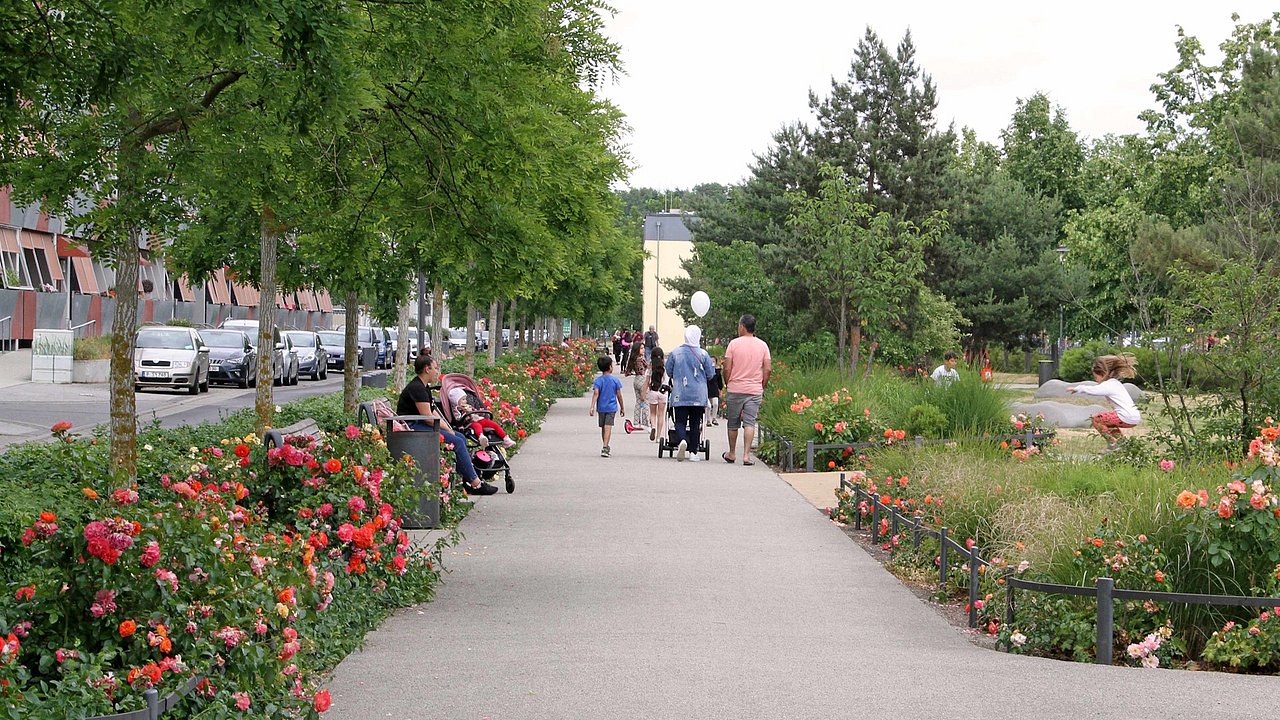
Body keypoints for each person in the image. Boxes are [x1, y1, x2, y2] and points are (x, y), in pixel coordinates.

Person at [397, 353, 498, 495]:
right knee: (457, 441)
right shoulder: (417, 388)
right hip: (413, 428)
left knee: (460, 438)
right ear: (427, 369)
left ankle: (466, 481)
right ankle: (476, 483)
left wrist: (449, 428)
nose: (437, 372)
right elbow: (427, 417)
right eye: (435, 368)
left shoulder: (423, 387)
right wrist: (447, 429)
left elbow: (433, 412)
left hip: (421, 425)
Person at [721, 314, 771, 466]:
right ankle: (746, 455)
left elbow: (727, 367)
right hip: (754, 389)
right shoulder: (763, 345)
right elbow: (768, 369)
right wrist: (762, 385)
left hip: (735, 388)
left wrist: (728, 382)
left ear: (742, 326)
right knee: (749, 422)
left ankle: (731, 453)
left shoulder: (733, 344)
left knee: (733, 423)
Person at [1068, 353, 1140, 455]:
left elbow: (1095, 391)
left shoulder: (1109, 384)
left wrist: (1078, 388)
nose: (1096, 380)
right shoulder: (1115, 383)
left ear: (1102, 373)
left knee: (1096, 419)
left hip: (1125, 416)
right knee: (1108, 423)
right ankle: (1124, 444)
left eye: (1096, 377)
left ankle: (1112, 444)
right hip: (1134, 416)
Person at [666, 325, 715, 461]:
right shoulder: (703, 354)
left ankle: (682, 440)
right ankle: (693, 452)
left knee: (680, 421)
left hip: (680, 392)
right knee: (695, 422)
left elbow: (669, 371)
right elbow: (711, 374)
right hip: (698, 394)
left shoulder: (676, 353)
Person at [446, 385, 517, 448]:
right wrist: (466, 413)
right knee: (477, 426)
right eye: (463, 400)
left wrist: (479, 413)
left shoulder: (468, 406)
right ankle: (481, 437)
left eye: (465, 399)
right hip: (468, 423)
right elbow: (458, 418)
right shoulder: (456, 409)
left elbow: (475, 411)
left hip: (477, 419)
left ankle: (505, 439)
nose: (465, 401)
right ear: (456, 401)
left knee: (493, 424)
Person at [589, 356, 625, 457]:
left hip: (601, 408)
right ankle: (605, 446)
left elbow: (596, 393)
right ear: (610, 367)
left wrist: (592, 406)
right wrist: (622, 407)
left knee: (604, 427)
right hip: (611, 407)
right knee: (607, 426)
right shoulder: (615, 381)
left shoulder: (598, 381)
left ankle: (605, 445)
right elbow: (619, 395)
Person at [647, 347, 668, 444]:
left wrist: (644, 392)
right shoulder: (664, 367)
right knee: (661, 414)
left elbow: (647, 381)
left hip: (653, 391)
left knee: (653, 413)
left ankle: (653, 427)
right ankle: (658, 437)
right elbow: (666, 380)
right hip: (663, 392)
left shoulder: (650, 367)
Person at [626, 345, 649, 432]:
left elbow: (628, 372)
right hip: (642, 379)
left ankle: (636, 422)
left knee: (638, 401)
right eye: (642, 348)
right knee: (645, 401)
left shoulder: (633, 359)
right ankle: (645, 422)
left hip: (636, 380)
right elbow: (642, 369)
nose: (643, 350)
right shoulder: (640, 359)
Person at [705, 355, 723, 427]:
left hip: (715, 390)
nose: (712, 363)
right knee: (708, 406)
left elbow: (720, 382)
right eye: (711, 361)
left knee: (715, 404)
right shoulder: (705, 371)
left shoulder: (717, 371)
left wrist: (720, 390)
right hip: (707, 390)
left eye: (713, 361)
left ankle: (714, 418)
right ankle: (708, 420)